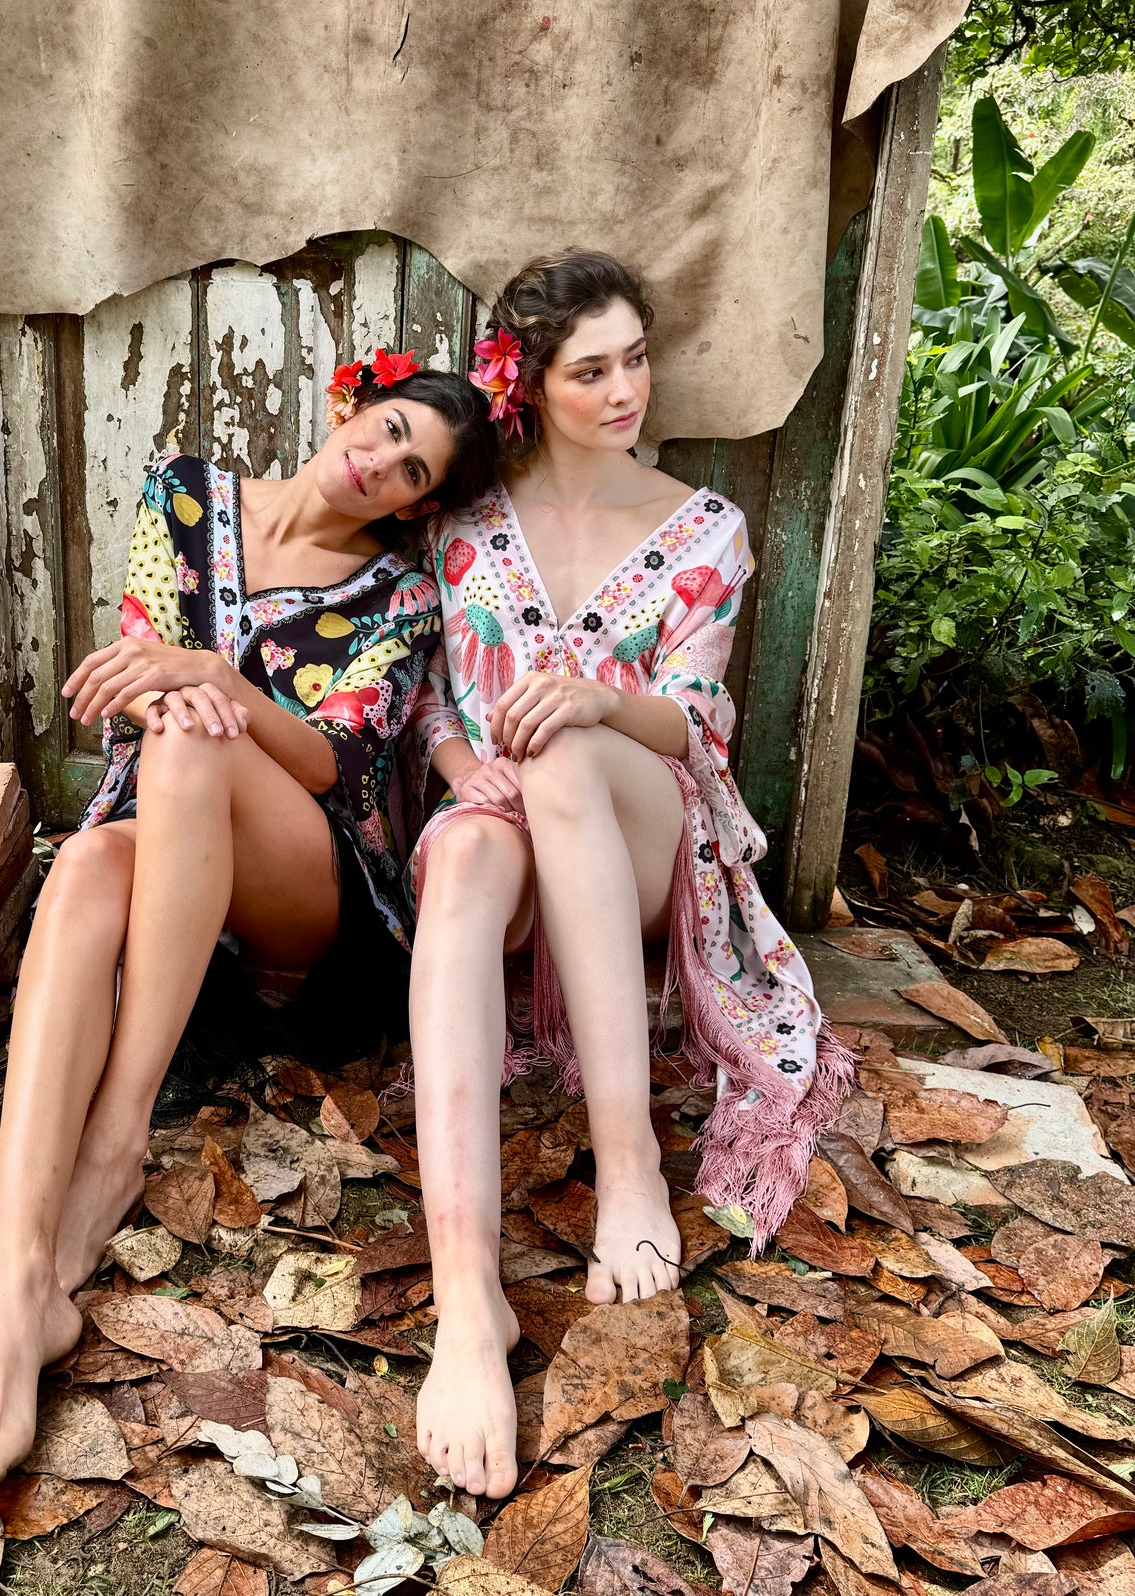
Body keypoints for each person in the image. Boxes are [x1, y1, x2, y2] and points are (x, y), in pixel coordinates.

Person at [0, 353, 499, 1517]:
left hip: (308, 898)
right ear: (349, 406)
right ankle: (24, 1266)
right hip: (160, 847)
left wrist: (211, 680)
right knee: (82, 864)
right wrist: (169, 685)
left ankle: (115, 1140)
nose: (376, 463)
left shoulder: (398, 595)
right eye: (384, 429)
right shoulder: (184, 496)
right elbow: (130, 678)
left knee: (195, 740)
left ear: (416, 506)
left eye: (409, 471)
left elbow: (338, 759)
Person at [405, 252, 854, 1499]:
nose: (622, 391)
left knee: (563, 753)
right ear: (530, 385)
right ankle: (464, 1299)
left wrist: (598, 700)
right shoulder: (458, 530)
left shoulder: (702, 527)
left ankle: (630, 1163)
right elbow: (434, 702)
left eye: (634, 360)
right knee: (465, 854)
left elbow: (692, 727)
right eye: (588, 370)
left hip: (648, 833)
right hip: (510, 848)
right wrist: (456, 770)